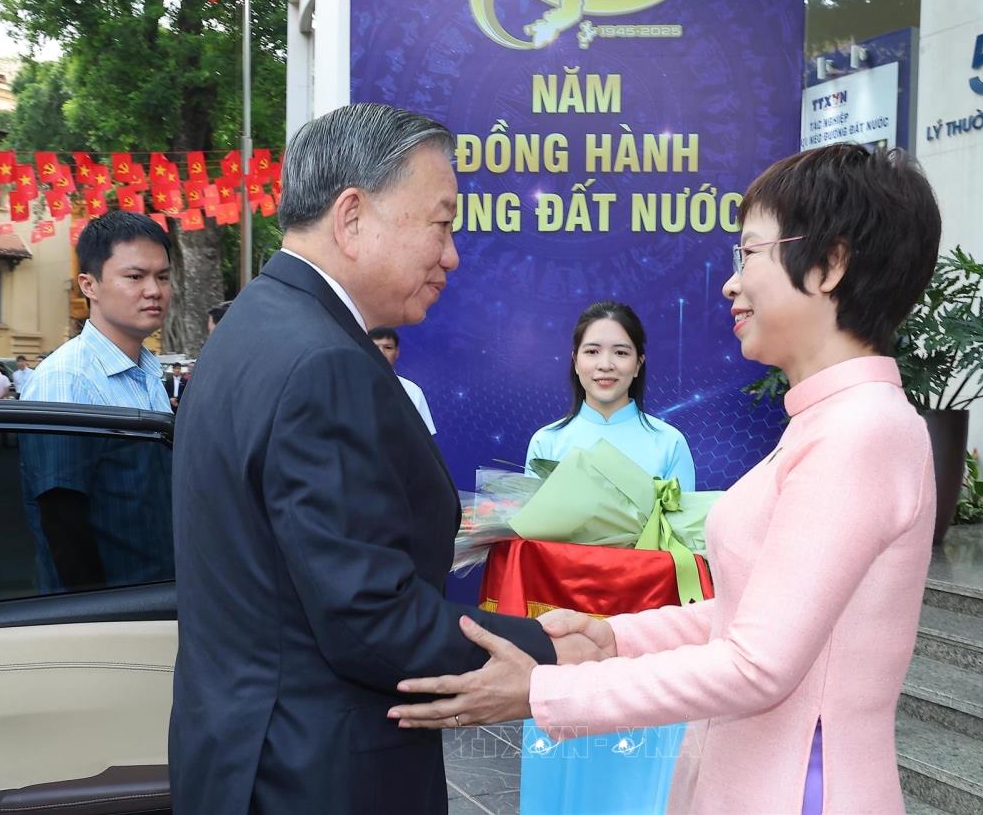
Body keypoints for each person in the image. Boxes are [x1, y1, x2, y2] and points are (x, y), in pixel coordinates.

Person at [390, 143, 943, 815]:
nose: (731, 284)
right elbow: (748, 614)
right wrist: (616, 638)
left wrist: (543, 692)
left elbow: (757, 663)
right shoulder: (827, 421)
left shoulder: (859, 431)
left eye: (749, 253)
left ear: (830, 265)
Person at [168, 104, 573, 815]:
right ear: (352, 216)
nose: (452, 254)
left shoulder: (254, 326)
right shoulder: (324, 363)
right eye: (442, 224)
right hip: (316, 774)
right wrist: (553, 649)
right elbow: (369, 619)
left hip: (249, 754)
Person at [18, 211, 174, 592]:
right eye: (135, 277)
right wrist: (97, 613)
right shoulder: (66, 379)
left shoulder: (148, 372)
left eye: (163, 277)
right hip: (109, 608)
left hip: (159, 595)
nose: (154, 290)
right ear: (89, 285)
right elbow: (61, 522)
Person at [525, 300, 694, 489]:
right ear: (575, 361)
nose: (605, 365)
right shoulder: (546, 442)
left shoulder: (670, 443)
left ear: (638, 364)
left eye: (620, 353)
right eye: (592, 351)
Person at [368, 326, 437, 434]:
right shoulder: (349, 386)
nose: (381, 352)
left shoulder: (412, 390)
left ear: (397, 352)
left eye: (388, 347)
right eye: (374, 347)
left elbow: (425, 437)